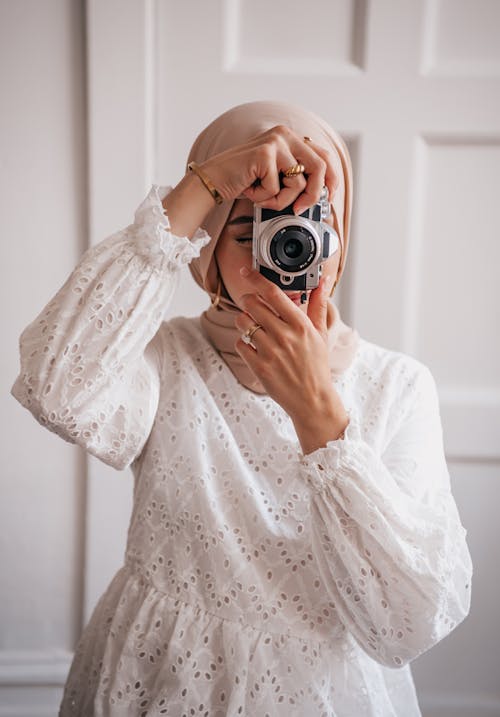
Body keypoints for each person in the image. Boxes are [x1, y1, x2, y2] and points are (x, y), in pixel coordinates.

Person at [11, 100, 472, 717]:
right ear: (207, 253)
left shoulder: (398, 387)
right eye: (253, 229)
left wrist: (319, 415)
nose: (289, 253)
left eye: (312, 226)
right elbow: (55, 387)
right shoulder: (166, 359)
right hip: (158, 674)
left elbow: (408, 624)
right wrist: (202, 184)